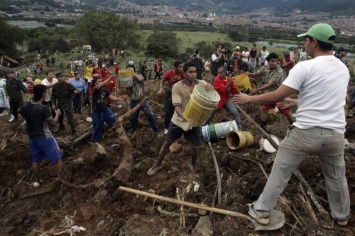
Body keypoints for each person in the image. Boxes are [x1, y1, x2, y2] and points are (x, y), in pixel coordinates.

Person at [232, 23, 350, 226]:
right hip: (335, 135)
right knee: (337, 177)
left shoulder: (306, 66)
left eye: (305, 40)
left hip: (305, 134)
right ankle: (341, 217)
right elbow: (326, 99)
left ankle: (261, 210)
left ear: (314, 42)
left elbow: (278, 94)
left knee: (280, 172)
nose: (304, 45)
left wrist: (247, 99)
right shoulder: (342, 68)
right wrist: (295, 102)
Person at [147, 62, 213, 176]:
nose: (193, 74)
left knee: (195, 147)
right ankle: (158, 164)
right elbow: (177, 107)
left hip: (194, 123)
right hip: (178, 121)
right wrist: (185, 117)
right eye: (190, 72)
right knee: (167, 143)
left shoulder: (201, 84)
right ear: (184, 73)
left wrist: (210, 87)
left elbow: (211, 93)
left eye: (195, 72)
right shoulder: (177, 87)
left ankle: (193, 164)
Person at [19, 84, 63, 186]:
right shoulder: (42, 108)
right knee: (57, 159)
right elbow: (52, 123)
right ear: (43, 94)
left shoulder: (26, 105)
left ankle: (37, 181)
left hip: (32, 138)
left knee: (35, 160)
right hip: (44, 137)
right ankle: (60, 182)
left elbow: (19, 111)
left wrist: (28, 118)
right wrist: (57, 114)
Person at [248, 53, 294, 131]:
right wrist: (250, 74)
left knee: (286, 112)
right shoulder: (264, 68)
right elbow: (256, 74)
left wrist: (257, 90)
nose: (274, 63)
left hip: (279, 95)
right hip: (270, 94)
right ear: (268, 61)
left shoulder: (279, 70)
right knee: (265, 110)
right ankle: (262, 128)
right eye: (272, 61)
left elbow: (270, 84)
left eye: (276, 61)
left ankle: (293, 126)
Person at [126, 63, 160, 135]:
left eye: (130, 69)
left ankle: (156, 128)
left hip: (142, 99)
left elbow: (141, 79)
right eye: (127, 69)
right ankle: (133, 128)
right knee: (133, 116)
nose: (128, 70)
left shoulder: (139, 75)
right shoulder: (128, 79)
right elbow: (129, 93)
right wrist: (127, 87)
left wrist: (133, 73)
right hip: (133, 100)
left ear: (134, 69)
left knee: (149, 114)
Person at [91, 77, 124, 142]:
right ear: (95, 83)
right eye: (99, 81)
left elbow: (110, 96)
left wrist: (117, 98)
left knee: (115, 122)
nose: (101, 82)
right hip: (97, 112)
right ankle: (94, 143)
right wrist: (110, 77)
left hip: (105, 110)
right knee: (97, 128)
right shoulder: (95, 89)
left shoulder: (105, 89)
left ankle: (120, 137)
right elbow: (102, 84)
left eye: (101, 81)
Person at [157, 60, 184, 134]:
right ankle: (167, 127)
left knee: (180, 110)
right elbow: (162, 80)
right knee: (169, 111)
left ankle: (179, 126)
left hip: (180, 94)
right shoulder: (169, 73)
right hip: (171, 94)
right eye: (180, 67)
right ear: (175, 67)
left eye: (182, 66)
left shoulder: (183, 74)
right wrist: (161, 88)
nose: (182, 68)